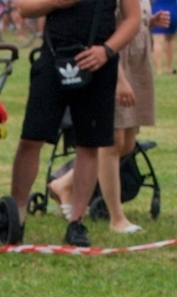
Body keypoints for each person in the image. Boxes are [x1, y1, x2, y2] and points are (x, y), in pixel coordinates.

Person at [8, 0, 143, 248]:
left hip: (98, 61)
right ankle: (15, 218)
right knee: (31, 138)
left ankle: (77, 222)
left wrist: (106, 50)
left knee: (89, 144)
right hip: (53, 54)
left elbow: (133, 20)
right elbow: (25, 7)